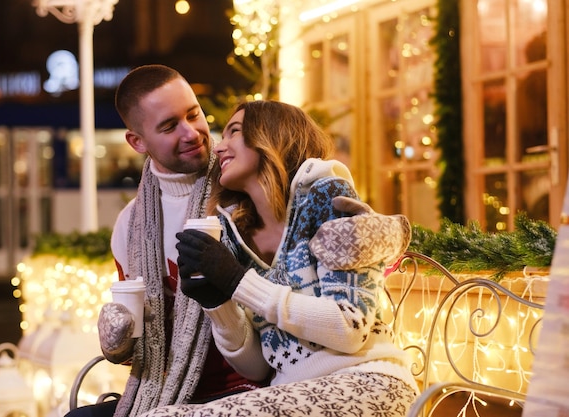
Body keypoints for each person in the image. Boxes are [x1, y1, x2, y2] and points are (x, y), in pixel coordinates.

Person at [66, 66, 383, 417]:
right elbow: (143, 347)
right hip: (164, 389)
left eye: (193, 114)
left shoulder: (245, 194)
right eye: (170, 126)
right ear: (137, 142)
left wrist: (230, 283)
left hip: (250, 388)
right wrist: (120, 345)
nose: (192, 133)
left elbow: (338, 262)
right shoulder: (131, 225)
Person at [140, 100, 418, 416]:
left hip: (369, 382)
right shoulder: (234, 236)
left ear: (271, 136)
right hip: (292, 395)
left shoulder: (326, 195)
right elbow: (257, 369)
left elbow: (350, 329)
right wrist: (218, 304)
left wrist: (237, 282)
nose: (220, 148)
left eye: (234, 132)